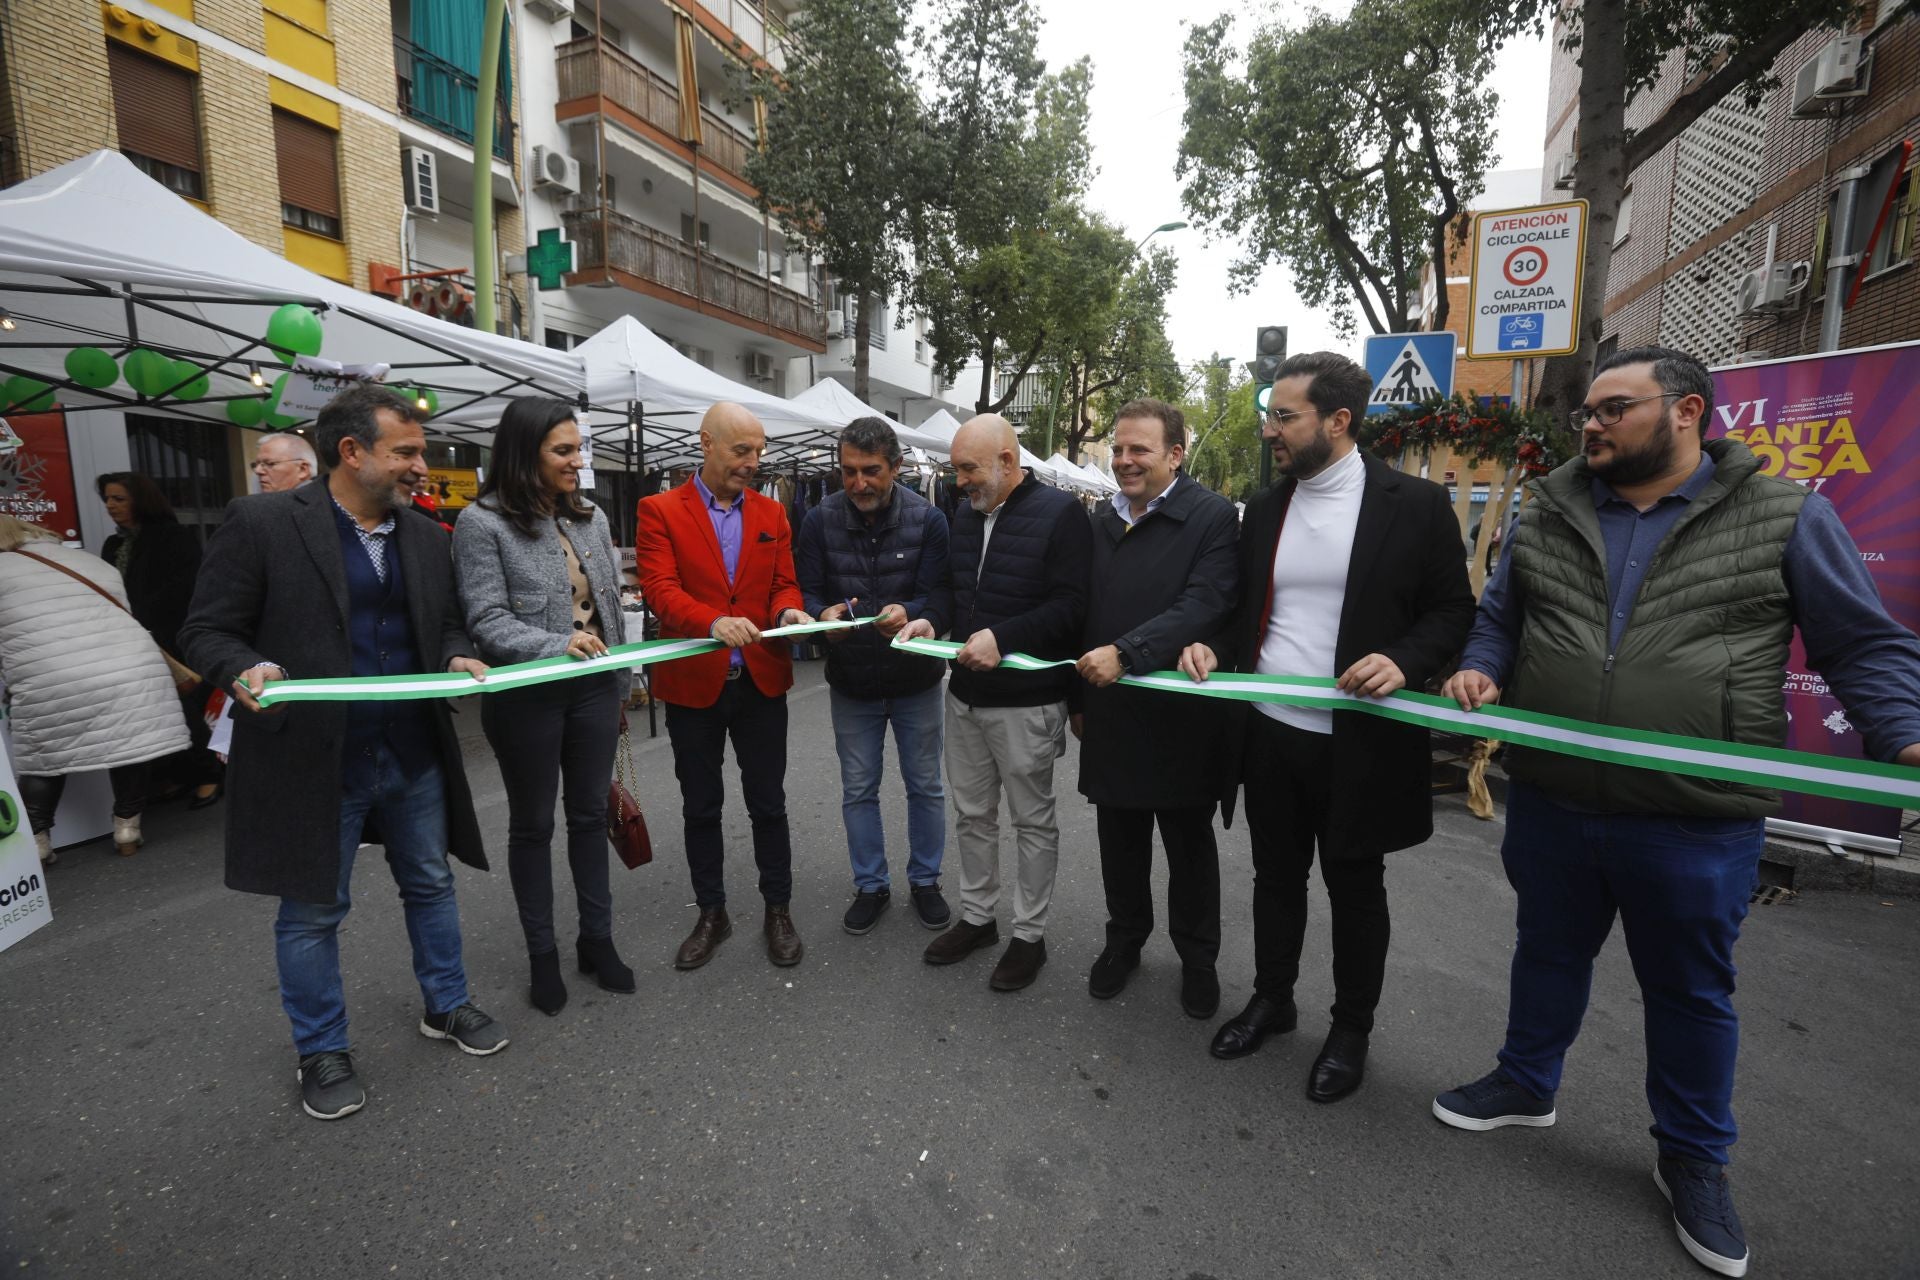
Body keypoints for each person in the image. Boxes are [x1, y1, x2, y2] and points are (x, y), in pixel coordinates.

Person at [1430, 346, 1920, 1278]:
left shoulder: (1784, 514)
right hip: (1558, 793)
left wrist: (1904, 738)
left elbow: (1864, 644)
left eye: (1615, 409)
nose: (1592, 425)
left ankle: (1694, 1158)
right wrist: (1483, 664)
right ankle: (1526, 1083)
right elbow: (1503, 616)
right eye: (1589, 414)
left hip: (1696, 817)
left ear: (1687, 411)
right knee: (1546, 950)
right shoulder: (1551, 510)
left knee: (1692, 992)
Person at [179, 382, 506, 1123]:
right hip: (311, 759)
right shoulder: (261, 523)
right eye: (408, 452)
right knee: (313, 911)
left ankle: (447, 1004)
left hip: (412, 750)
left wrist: (456, 654)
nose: (423, 466)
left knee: (429, 881)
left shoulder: (427, 536)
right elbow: (205, 630)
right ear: (352, 452)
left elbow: (449, 623)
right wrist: (242, 668)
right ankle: (321, 1049)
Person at [1179, 350, 1474, 1102]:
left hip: (1361, 741)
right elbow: (1250, 611)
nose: (1270, 429)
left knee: (1354, 888)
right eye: (1268, 415)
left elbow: (1452, 613)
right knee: (1276, 877)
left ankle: (1351, 1029)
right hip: (1271, 732)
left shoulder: (1414, 505)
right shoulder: (1268, 505)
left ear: (1338, 421)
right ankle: (1273, 1000)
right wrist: (1218, 644)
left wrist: (1404, 660)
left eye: (1285, 416)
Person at [453, 397, 630, 1016]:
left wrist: (620, 677)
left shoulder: (593, 519)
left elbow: (608, 606)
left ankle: (596, 941)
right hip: (526, 696)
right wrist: (557, 644)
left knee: (588, 817)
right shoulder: (481, 524)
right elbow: (486, 621)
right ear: (525, 454)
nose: (578, 462)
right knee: (532, 827)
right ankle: (542, 957)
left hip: (594, 691)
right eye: (564, 451)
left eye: (578, 449)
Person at [1072, 399, 1240, 1019]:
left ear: (1175, 454)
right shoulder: (1099, 521)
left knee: (1188, 845)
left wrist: (1127, 652)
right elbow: (1079, 611)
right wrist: (1077, 696)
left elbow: (1205, 603)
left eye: (1138, 450)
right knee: (1119, 840)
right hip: (1110, 711)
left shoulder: (1213, 518)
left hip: (1182, 720)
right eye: (1118, 449)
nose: (1123, 461)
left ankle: (1198, 960)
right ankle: (1124, 942)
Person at [634, 402, 813, 971]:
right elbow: (659, 590)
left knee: (769, 803)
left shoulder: (772, 514)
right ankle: (712, 912)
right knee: (700, 805)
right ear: (706, 443)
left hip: (761, 680)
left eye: (759, 451)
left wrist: (788, 613)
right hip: (694, 683)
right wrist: (711, 622)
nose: (753, 462)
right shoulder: (659, 509)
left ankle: (777, 910)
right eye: (742, 451)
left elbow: (784, 584)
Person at [917, 413, 1090, 992]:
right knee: (972, 815)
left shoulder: (1062, 515)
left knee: (1032, 820)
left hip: (1028, 703)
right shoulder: (963, 516)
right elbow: (951, 590)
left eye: (969, 469)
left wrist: (1005, 638)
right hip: (964, 695)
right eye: (956, 469)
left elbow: (1072, 606)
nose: (960, 481)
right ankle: (978, 918)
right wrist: (930, 618)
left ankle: (1029, 935)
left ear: (1009, 462)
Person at [795, 416, 955, 936]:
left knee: (926, 786)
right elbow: (808, 593)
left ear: (897, 467)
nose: (858, 483)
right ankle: (871, 885)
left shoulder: (929, 519)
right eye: (848, 472)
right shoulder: (819, 520)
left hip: (916, 680)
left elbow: (941, 597)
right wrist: (822, 620)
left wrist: (911, 612)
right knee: (858, 788)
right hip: (853, 682)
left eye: (871, 471)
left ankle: (926, 881)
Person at [0, 515, 189, 861]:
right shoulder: (89, 560)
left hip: (55, 674)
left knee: (44, 759)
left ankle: (38, 841)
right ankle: (127, 828)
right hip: (131, 667)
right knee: (129, 747)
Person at [97, 470, 221, 809]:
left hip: (170, 637)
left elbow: (185, 589)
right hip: (129, 638)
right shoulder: (114, 544)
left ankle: (208, 773)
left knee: (181, 709)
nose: (110, 505)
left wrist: (142, 617)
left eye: (118, 498)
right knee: (150, 712)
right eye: (107, 498)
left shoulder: (173, 537)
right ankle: (177, 775)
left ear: (140, 500)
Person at [251, 432, 317, 493]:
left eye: (270, 464)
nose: (257, 471)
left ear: (302, 469)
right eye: (256, 465)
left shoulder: (320, 503)